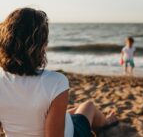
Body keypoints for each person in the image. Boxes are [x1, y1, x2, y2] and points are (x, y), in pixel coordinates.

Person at [0, 8, 118, 137]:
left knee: (70, 112)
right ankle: (107, 123)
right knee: (89, 106)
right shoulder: (56, 82)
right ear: (41, 45)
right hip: (73, 134)